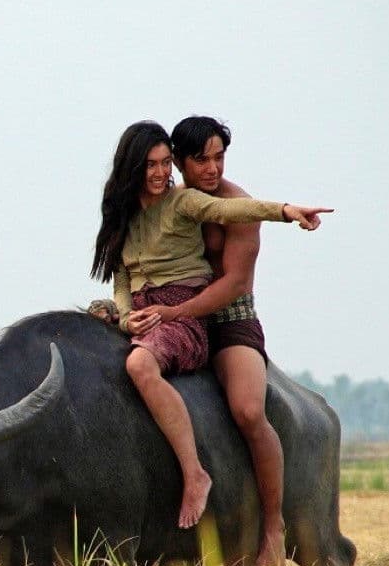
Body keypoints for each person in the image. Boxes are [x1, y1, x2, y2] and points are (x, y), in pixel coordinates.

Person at [89, 120, 330, 535]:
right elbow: (123, 278)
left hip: (216, 318)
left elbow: (230, 225)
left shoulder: (190, 202)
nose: (162, 173)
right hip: (152, 316)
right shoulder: (128, 212)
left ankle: (253, 512)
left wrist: (286, 212)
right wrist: (126, 316)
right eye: (155, 165)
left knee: (244, 409)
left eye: (165, 164)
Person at [133, 115, 302, 566]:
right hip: (171, 316)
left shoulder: (236, 203)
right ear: (180, 163)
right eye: (201, 159)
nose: (212, 167)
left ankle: (272, 525)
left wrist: (174, 313)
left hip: (228, 322)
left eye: (219, 157)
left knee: (248, 411)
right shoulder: (167, 202)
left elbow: (234, 283)